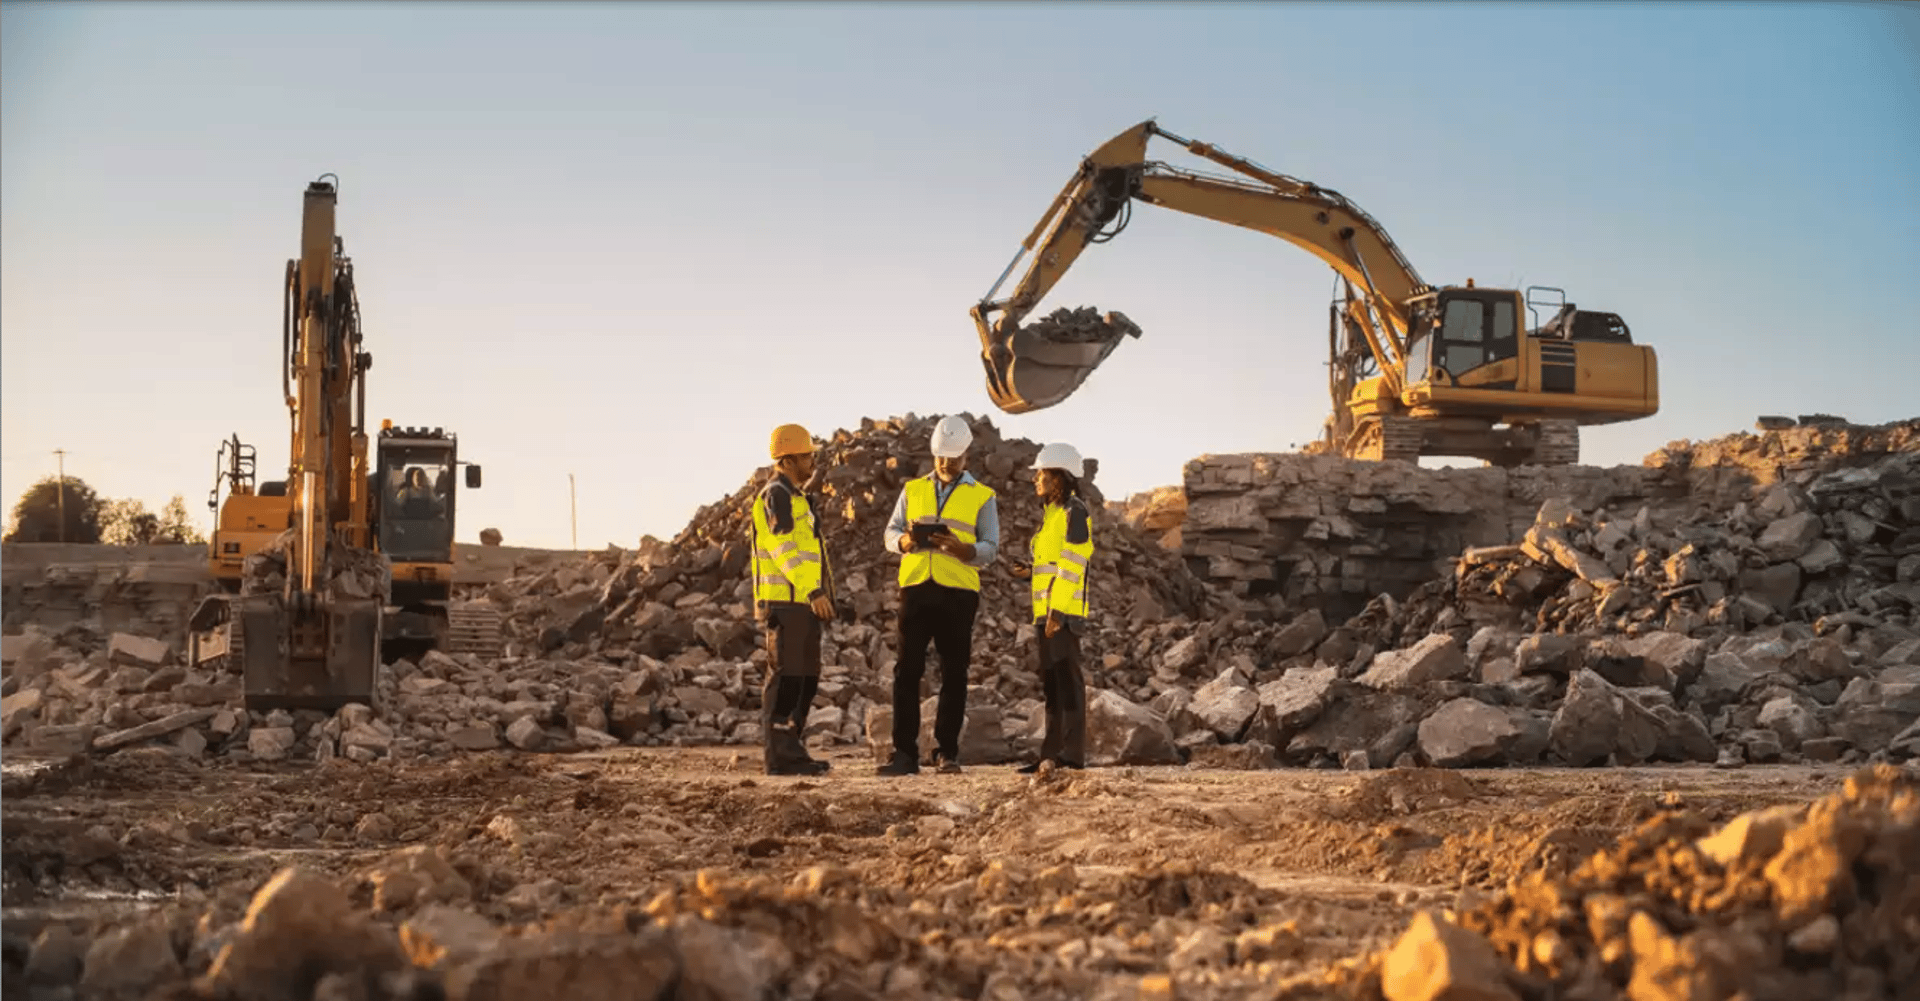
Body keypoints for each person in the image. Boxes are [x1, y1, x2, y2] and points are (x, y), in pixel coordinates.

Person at [877, 415, 1000, 776]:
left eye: (954, 458)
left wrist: (966, 550)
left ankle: (946, 752)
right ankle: (904, 754)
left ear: (966, 455)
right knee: (906, 672)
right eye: (941, 457)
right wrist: (904, 541)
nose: (946, 464)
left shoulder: (983, 496)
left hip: (958, 593)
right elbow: (890, 532)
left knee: (954, 673)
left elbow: (991, 547)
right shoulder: (913, 490)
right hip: (916, 588)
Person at [749, 423, 837, 776]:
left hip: (803, 602)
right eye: (805, 456)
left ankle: (792, 751)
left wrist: (824, 593)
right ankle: (780, 758)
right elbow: (783, 548)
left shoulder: (799, 498)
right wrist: (812, 590)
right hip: (785, 602)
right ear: (786, 460)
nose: (812, 461)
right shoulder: (777, 495)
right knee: (786, 679)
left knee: (805, 679)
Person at [1009, 442, 1095, 773]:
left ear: (1058, 477)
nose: (1035, 479)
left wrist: (1057, 612)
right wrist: (1030, 571)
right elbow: (1053, 564)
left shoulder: (1075, 512)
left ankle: (1071, 756)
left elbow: (1072, 564)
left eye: (1041, 473)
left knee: (1067, 682)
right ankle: (1050, 756)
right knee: (1052, 684)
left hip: (1063, 614)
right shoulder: (1053, 515)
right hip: (1047, 612)